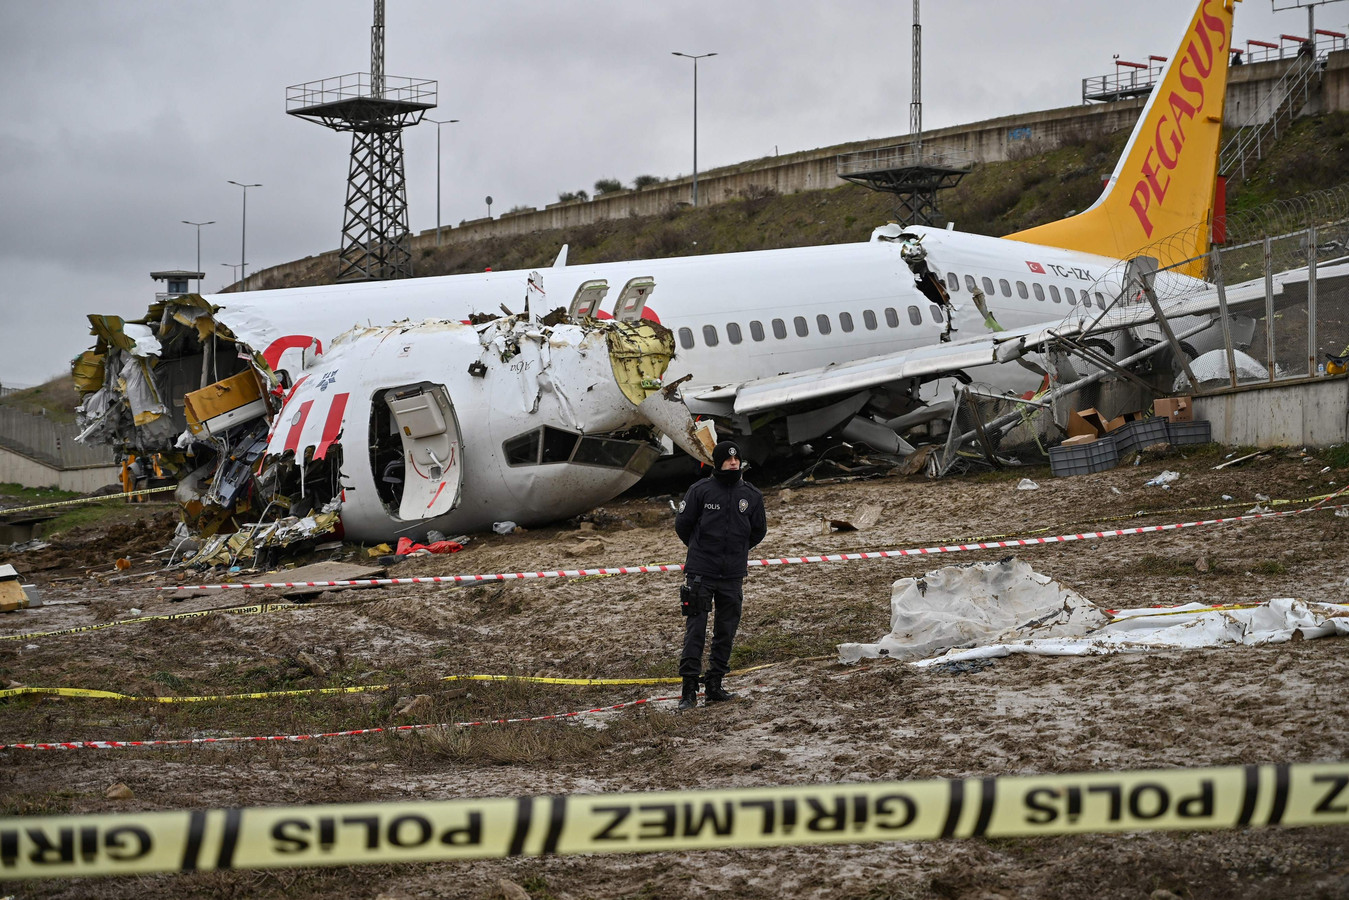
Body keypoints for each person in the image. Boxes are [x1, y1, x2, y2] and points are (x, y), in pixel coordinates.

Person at [673, 439, 767, 710]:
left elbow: (758, 531)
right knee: (696, 631)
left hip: (733, 575)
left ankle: (715, 685)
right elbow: (683, 526)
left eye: (736, 459)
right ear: (718, 462)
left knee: (726, 631)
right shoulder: (700, 491)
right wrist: (701, 551)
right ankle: (688, 691)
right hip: (701, 574)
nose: (733, 463)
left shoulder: (751, 495)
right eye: (727, 459)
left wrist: (736, 551)